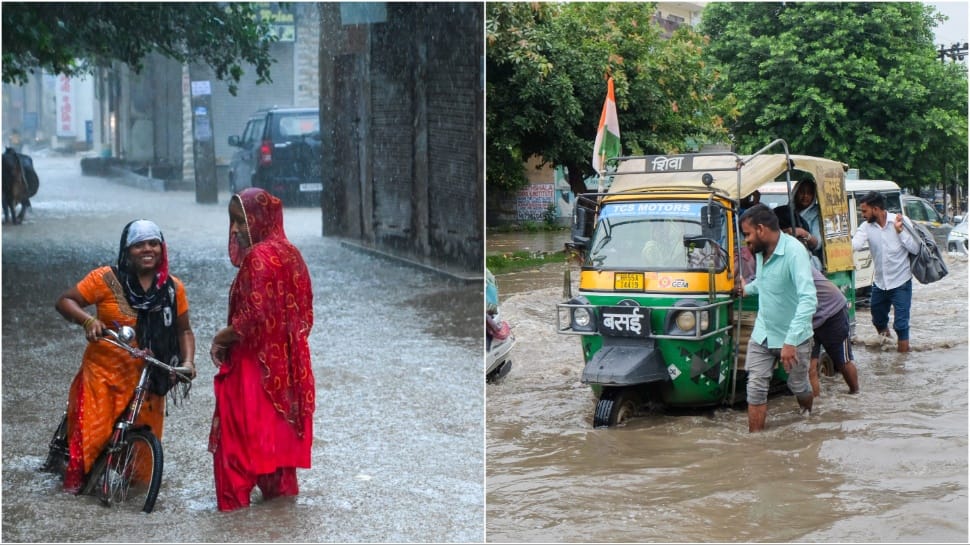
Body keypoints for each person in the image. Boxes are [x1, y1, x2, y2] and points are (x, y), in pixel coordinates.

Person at [53, 219, 196, 493]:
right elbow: (65, 301)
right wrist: (87, 322)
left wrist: (188, 363)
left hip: (149, 381)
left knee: (141, 475)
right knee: (88, 453)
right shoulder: (105, 278)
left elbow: (184, 331)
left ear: (162, 249)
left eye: (154, 243)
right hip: (103, 377)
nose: (148, 249)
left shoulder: (172, 288)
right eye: (139, 244)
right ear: (126, 250)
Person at [209, 188, 315, 512]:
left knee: (233, 458)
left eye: (242, 221)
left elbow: (253, 316)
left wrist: (221, 338)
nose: (236, 230)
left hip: (252, 375)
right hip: (287, 378)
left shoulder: (258, 258)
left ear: (260, 219)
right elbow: (304, 312)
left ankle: (236, 529)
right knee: (279, 467)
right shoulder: (291, 253)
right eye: (233, 222)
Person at [736, 204, 817, 432]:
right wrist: (747, 289)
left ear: (761, 229)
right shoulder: (761, 251)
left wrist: (790, 341)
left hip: (794, 337)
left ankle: (808, 416)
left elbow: (809, 299)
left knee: (798, 385)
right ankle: (755, 445)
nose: (746, 242)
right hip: (763, 333)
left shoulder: (794, 252)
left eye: (747, 234)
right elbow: (765, 282)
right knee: (756, 386)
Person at [851, 191, 920, 353]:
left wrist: (900, 232)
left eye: (864, 211)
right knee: (878, 320)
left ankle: (901, 363)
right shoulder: (866, 227)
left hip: (901, 282)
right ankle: (888, 349)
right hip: (880, 284)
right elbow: (854, 245)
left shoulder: (901, 221)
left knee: (901, 325)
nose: (863, 215)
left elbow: (915, 248)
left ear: (876, 209)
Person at [806, 267, 860, 397]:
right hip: (809, 320)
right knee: (809, 368)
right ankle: (815, 410)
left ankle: (856, 394)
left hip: (833, 313)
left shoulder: (797, 262)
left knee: (843, 361)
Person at [791, 179, 824, 262]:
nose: (805, 196)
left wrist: (803, 233)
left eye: (809, 193)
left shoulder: (816, 214)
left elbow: (818, 243)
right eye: (802, 192)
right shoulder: (788, 211)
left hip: (807, 261)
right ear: (795, 193)